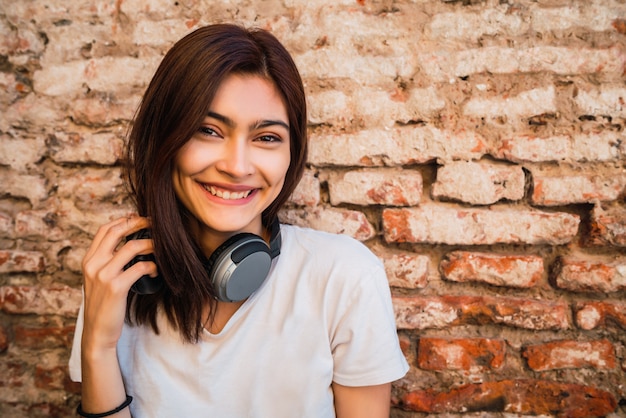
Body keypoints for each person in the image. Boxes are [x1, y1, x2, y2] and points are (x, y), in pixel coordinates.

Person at [69, 23, 408, 418]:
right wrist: (98, 345)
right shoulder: (120, 277)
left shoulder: (343, 277)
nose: (236, 166)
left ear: (291, 156)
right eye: (208, 130)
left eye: (266, 138)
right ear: (164, 140)